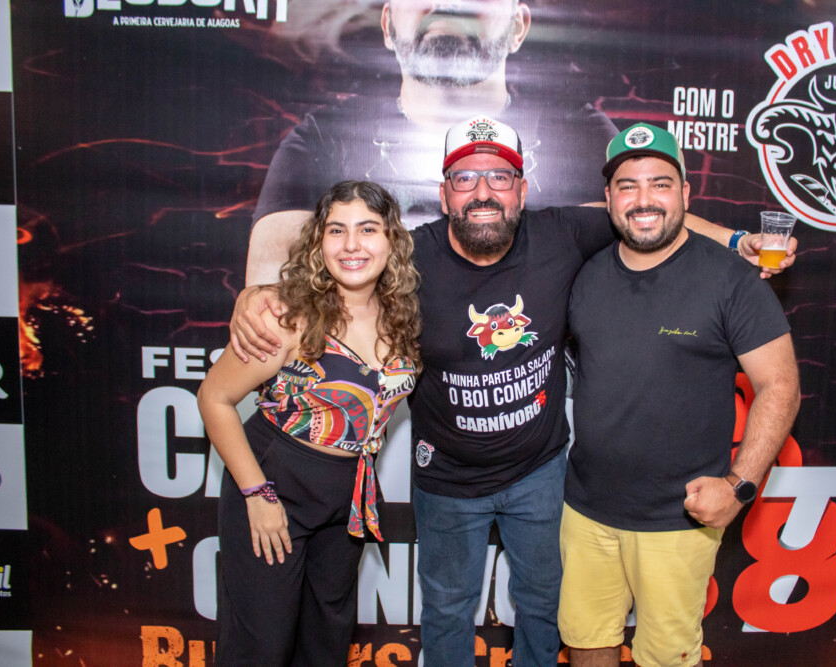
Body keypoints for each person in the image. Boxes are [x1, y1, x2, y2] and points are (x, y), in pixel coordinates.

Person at [230, 116, 795, 666]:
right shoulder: (408, 258)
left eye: (499, 177)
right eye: (465, 178)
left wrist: (737, 240)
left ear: (522, 190)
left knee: (544, 611)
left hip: (539, 475)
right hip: (447, 479)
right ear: (445, 194)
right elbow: (338, 265)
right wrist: (258, 295)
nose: (483, 192)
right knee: (446, 611)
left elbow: (647, 212)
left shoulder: (561, 234)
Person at [559, 124, 801, 667]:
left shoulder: (731, 280)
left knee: (666, 657)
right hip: (586, 510)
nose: (644, 199)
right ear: (608, 198)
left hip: (679, 517)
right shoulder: (584, 272)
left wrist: (739, 486)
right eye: (627, 185)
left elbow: (780, 385)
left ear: (686, 194)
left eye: (661, 184)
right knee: (586, 641)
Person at [197, 181, 421, 665]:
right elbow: (214, 397)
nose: (351, 245)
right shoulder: (286, 315)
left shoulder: (404, 316)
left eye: (368, 229)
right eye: (336, 230)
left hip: (348, 499)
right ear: (319, 241)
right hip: (275, 486)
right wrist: (257, 494)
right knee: (261, 647)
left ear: (392, 240)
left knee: (326, 643)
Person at [248, 0, 618, 286]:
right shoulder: (320, 142)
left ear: (518, 26)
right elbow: (268, 305)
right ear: (387, 25)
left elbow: (625, 282)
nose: (448, 3)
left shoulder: (583, 139)